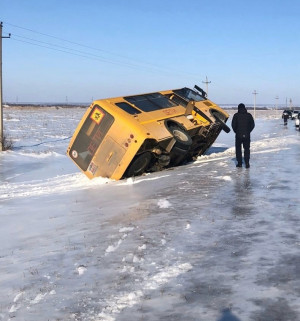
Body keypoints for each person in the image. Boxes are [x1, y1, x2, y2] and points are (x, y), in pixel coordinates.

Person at [231, 103, 255, 168]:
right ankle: (247, 163)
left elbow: (233, 125)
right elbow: (252, 125)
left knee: (238, 149)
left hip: (238, 135)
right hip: (247, 135)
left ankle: (240, 163)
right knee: (247, 149)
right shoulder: (249, 115)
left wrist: (236, 131)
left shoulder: (236, 115)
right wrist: (248, 131)